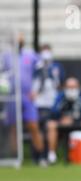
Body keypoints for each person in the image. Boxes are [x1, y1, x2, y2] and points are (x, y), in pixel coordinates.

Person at [4, 33, 46, 165]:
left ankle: (40, 157)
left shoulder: (30, 55)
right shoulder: (5, 57)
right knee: (13, 127)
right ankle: (15, 158)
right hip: (11, 97)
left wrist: (37, 90)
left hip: (27, 96)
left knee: (33, 125)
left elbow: (41, 73)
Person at [46, 77, 81, 164]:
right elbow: (54, 113)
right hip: (62, 123)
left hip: (77, 123)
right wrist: (62, 119)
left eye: (74, 87)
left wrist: (75, 120)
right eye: (69, 87)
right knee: (51, 125)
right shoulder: (60, 97)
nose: (72, 89)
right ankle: (52, 155)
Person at [32, 44, 65, 126]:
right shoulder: (36, 66)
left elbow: (61, 82)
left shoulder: (56, 66)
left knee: (50, 121)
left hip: (52, 98)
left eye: (48, 51)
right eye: (44, 51)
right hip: (39, 99)